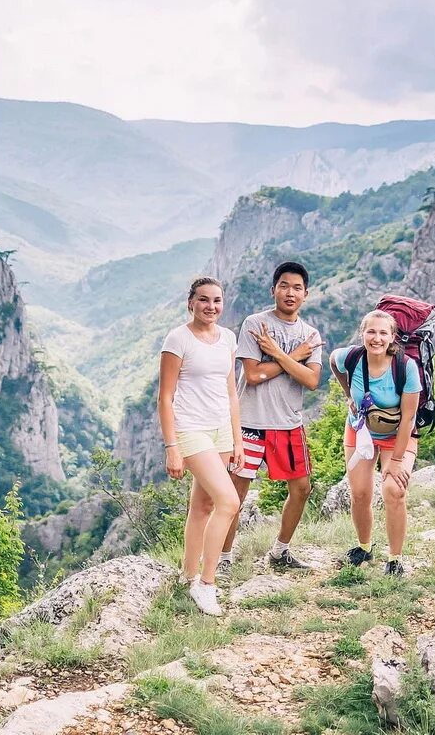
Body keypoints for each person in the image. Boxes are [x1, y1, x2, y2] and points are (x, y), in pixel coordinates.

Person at [219, 262, 323, 572]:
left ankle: (280, 552)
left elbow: (312, 380)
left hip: (288, 422)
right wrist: (294, 357)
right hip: (250, 421)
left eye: (296, 288)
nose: (290, 292)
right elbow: (252, 375)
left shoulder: (311, 334)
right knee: (235, 493)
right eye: (284, 286)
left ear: (305, 294)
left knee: (302, 488)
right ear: (273, 289)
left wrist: (276, 354)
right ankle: (223, 559)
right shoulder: (255, 324)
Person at [158, 277, 244, 617]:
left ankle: (188, 573)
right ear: (190, 302)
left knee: (204, 505)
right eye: (204, 300)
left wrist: (237, 439)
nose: (211, 306)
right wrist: (172, 447)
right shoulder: (177, 339)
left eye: (217, 300)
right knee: (229, 501)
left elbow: (231, 392)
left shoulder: (228, 338)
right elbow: (165, 397)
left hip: (221, 429)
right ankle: (206, 584)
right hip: (191, 430)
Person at [329, 310, 422, 577]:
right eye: (371, 332)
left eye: (383, 333)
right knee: (359, 493)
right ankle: (364, 547)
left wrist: (394, 462)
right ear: (363, 333)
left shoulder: (405, 368)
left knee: (394, 490)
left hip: (397, 435)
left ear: (393, 337)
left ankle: (395, 559)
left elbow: (408, 419)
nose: (377, 338)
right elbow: (334, 362)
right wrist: (348, 394)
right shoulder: (352, 357)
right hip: (360, 430)